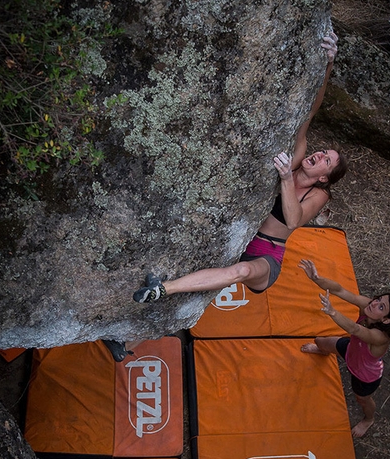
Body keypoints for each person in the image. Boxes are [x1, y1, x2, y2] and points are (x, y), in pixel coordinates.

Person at [133, 32, 347, 304]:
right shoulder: (297, 158)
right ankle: (142, 312)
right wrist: (327, 64)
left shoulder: (318, 194)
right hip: (239, 238)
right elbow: (310, 113)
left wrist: (285, 179)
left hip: (266, 257)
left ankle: (164, 289)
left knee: (242, 270)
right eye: (324, 152)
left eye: (326, 160)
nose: (319, 154)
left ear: (325, 177)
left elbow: (294, 220)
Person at [299, 259, 390, 438]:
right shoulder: (367, 306)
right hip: (351, 350)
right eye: (378, 299)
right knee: (319, 341)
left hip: (364, 374)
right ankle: (324, 352)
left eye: (381, 307)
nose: (374, 303)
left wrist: (333, 312)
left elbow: (355, 329)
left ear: (386, 320)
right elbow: (339, 289)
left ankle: (369, 419)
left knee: (362, 399)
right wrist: (316, 279)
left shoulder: (380, 337)